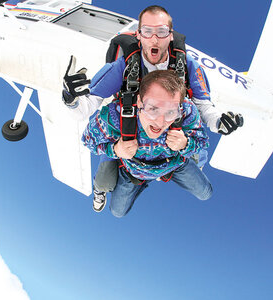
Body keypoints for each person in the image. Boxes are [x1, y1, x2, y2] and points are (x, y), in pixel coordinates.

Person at [63, 5, 241, 211]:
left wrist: (219, 122)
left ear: (171, 35)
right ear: (139, 35)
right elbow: (88, 106)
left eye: (162, 31)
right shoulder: (123, 67)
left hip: (171, 138)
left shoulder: (188, 66)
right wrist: (71, 98)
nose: (154, 39)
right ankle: (107, 185)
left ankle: (173, 165)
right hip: (130, 130)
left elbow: (203, 105)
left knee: (202, 182)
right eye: (147, 31)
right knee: (105, 182)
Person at [82, 70, 212, 217]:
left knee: (205, 193)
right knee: (117, 212)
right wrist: (115, 150)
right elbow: (88, 140)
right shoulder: (116, 115)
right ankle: (117, 181)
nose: (160, 122)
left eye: (170, 112)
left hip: (173, 163)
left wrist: (186, 144)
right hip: (134, 169)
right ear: (139, 101)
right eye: (153, 109)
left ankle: (192, 162)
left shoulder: (187, 111)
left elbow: (202, 141)